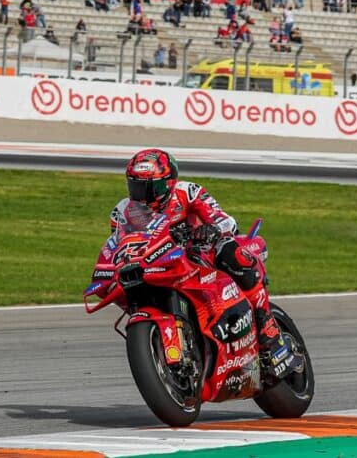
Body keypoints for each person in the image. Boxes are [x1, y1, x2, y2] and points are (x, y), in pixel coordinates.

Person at [100, 149, 300, 379]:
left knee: (232, 253)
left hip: (200, 254)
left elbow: (226, 220)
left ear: (168, 183)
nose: (142, 195)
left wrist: (210, 230)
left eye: (149, 187)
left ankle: (267, 328)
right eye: (136, 186)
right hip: (159, 263)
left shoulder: (188, 192)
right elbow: (120, 243)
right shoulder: (122, 211)